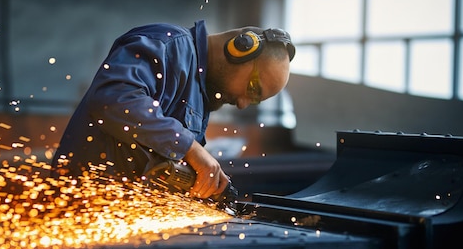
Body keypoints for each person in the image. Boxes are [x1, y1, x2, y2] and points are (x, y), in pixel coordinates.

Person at [52, 20, 295, 199]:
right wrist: (190, 148)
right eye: (253, 90)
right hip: (80, 207)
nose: (243, 104)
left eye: (255, 101)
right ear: (241, 48)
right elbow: (115, 99)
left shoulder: (200, 96)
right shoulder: (168, 45)